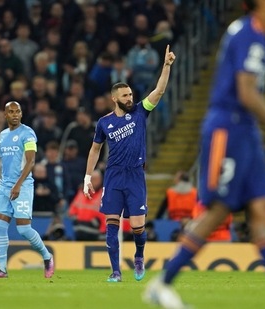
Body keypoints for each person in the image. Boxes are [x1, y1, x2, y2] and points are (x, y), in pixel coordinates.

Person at [143, 1, 265, 309]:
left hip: (246, 130)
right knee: (219, 208)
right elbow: (247, 92)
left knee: (262, 206)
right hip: (226, 129)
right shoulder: (248, 34)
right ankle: (162, 283)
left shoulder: (258, 35)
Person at [83, 45, 176, 283]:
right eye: (125, 96)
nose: (130, 98)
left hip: (135, 175)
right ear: (115, 98)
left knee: (137, 228)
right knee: (111, 225)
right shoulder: (104, 123)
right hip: (114, 176)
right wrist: (87, 177)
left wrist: (166, 66)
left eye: (131, 95)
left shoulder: (140, 112)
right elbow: (95, 149)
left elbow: (159, 91)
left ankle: (139, 257)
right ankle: (115, 271)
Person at [0, 101, 54, 279]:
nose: (15, 114)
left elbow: (31, 161)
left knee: (23, 229)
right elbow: (5, 162)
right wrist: (5, 184)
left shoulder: (28, 133)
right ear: (5, 114)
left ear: (21, 114)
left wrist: (17, 185)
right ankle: (2, 269)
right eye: (11, 112)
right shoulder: (2, 135)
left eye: (18, 111)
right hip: (4, 186)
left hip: (22, 185)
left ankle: (47, 256)